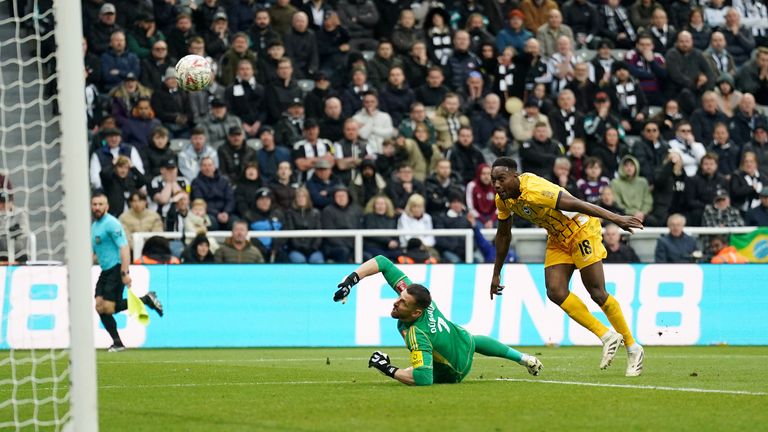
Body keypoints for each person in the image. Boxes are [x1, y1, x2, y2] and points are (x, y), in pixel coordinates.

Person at [490, 157, 644, 376]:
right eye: (493, 180)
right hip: (557, 237)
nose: (496, 185)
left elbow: (578, 203)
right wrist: (496, 273)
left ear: (514, 177)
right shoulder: (503, 200)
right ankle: (607, 336)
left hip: (581, 229)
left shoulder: (535, 189)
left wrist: (615, 217)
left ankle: (633, 347)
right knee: (555, 290)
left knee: (597, 292)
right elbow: (503, 235)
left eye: (501, 179)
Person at [332, 255, 543, 386]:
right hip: (461, 341)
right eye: (400, 297)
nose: (396, 302)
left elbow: (424, 380)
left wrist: (388, 368)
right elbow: (382, 262)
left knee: (413, 370)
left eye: (403, 303)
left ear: (416, 313)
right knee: (471, 339)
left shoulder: (417, 334)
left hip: (454, 372)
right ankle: (525, 359)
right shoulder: (420, 299)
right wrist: (351, 281)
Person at [91, 193, 163, 352]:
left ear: (107, 206)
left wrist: (124, 273)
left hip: (116, 269)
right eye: (94, 204)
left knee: (108, 308)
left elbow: (124, 248)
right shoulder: (95, 226)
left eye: (100, 204)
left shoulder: (112, 224)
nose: (97, 207)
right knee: (99, 306)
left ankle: (145, 300)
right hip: (105, 271)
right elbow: (94, 252)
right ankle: (117, 342)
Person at [284, 187, 324, 263]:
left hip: (313, 249)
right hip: (296, 249)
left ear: (307, 198)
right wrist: (299, 247)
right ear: (295, 199)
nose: (301, 199)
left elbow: (319, 234)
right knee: (299, 260)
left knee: (317, 260)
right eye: (299, 196)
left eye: (303, 196)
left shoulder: (315, 213)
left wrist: (313, 248)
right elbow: (290, 232)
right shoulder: (290, 213)